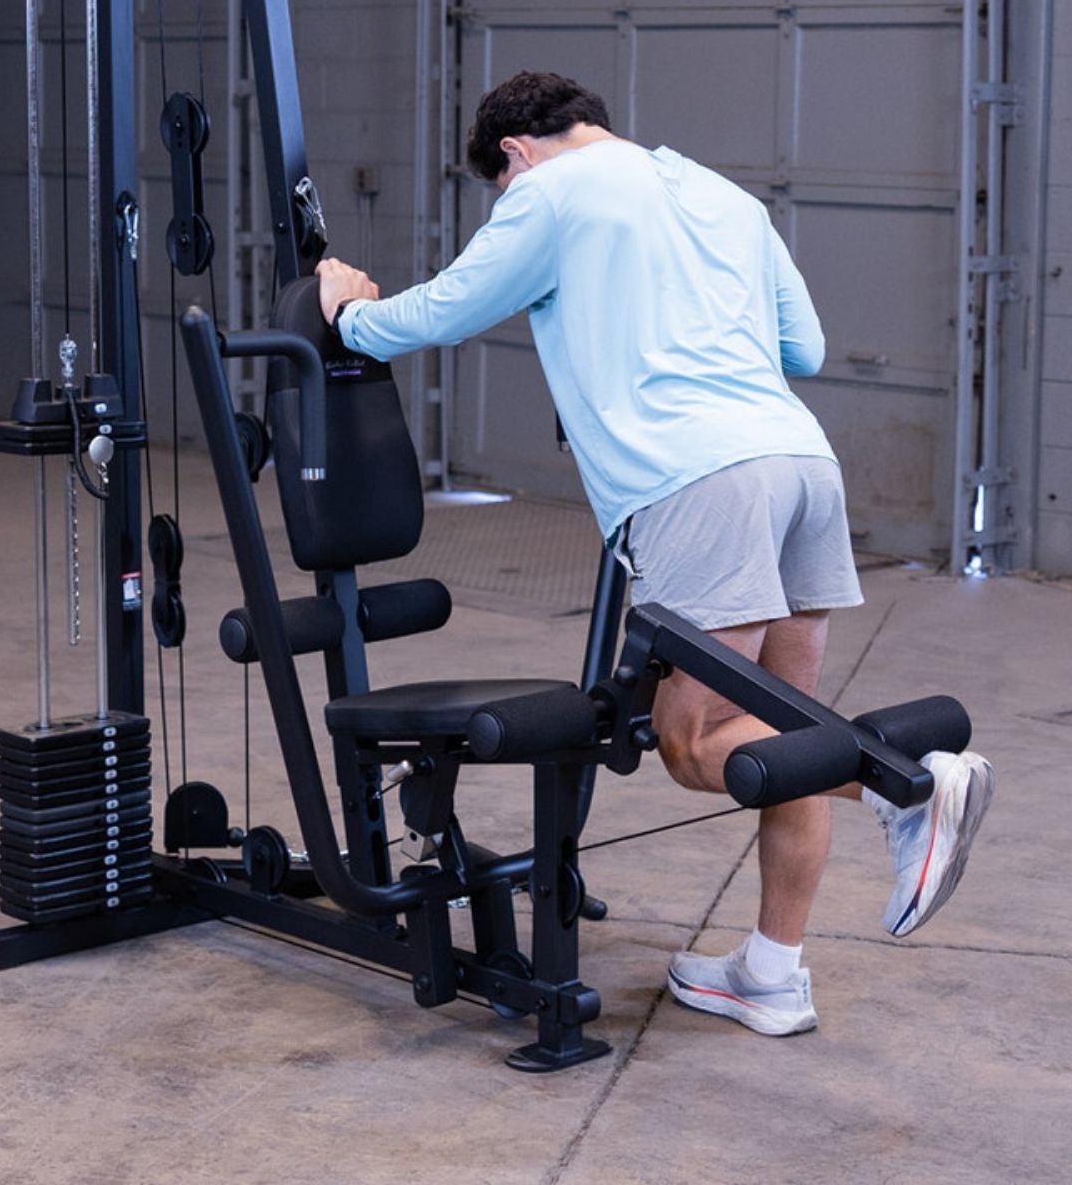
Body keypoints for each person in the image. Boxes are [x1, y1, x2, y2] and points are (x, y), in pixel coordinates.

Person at [316, 70, 994, 1038]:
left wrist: (343, 308)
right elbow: (801, 347)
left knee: (693, 742)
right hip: (800, 463)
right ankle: (768, 973)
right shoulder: (722, 193)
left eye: (500, 191)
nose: (509, 205)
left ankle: (914, 782)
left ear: (513, 153)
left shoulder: (549, 189)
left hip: (697, 480)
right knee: (786, 724)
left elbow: (434, 316)